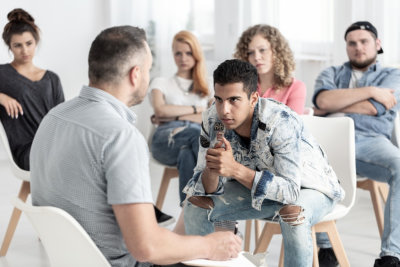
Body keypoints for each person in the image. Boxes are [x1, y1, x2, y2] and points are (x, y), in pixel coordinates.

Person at [30, 26, 241, 267]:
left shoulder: (54, 117)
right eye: (149, 69)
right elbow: (146, 248)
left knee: (198, 200)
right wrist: (211, 246)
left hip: (74, 259)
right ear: (135, 74)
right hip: (124, 263)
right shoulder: (120, 137)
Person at [183, 59, 344, 267]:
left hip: (311, 188)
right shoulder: (212, 119)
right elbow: (203, 187)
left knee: (293, 214)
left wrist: (236, 170)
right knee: (196, 204)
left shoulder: (281, 121)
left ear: (253, 98)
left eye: (234, 100)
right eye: (219, 99)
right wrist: (213, 169)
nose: (224, 110)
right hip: (259, 189)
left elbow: (290, 193)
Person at [313, 21, 400, 267]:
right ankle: (326, 249)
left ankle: (391, 256)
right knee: (315, 161)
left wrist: (334, 103)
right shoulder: (330, 72)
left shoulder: (393, 75)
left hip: (370, 142)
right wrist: (372, 90)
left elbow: (375, 108)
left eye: (364, 42)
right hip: (330, 141)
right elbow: (321, 100)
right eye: (352, 43)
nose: (358, 47)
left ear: (377, 44)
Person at [149, 30, 213, 205]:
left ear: (196, 54)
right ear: (173, 54)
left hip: (192, 141)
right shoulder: (160, 82)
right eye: (178, 53)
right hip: (165, 140)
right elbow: (160, 111)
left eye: (188, 53)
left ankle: (189, 216)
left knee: (187, 152)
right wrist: (197, 109)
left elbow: (213, 117)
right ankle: (217, 210)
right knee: (198, 138)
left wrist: (176, 114)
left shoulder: (207, 86)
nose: (183, 58)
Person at [0, 8, 64, 170]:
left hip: (54, 146)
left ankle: (22, 197)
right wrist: (1, 97)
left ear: (36, 42)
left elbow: (63, 120)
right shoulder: (3, 73)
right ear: (10, 47)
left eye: (29, 43)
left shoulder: (52, 79)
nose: (25, 51)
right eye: (17, 46)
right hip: (26, 151)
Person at [234, 24, 306, 114]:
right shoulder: (241, 84)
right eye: (250, 52)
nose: (256, 57)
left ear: (277, 51)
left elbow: (293, 126)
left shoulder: (295, 88)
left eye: (262, 50)